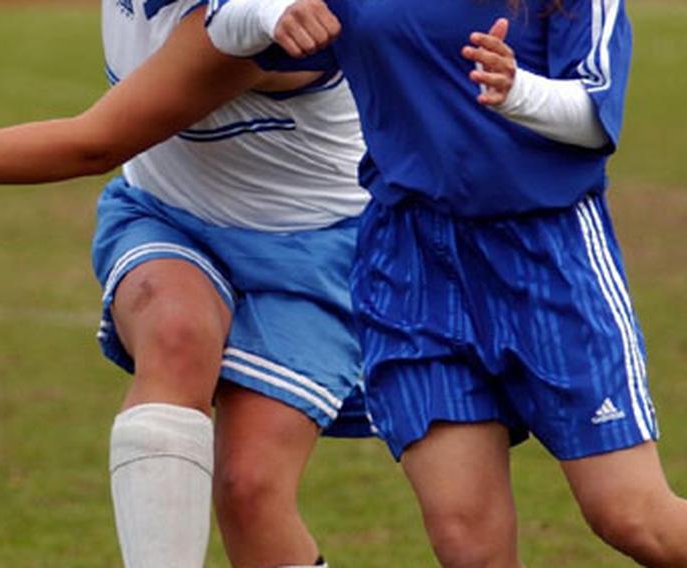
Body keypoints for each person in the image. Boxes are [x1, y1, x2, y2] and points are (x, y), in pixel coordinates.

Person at [0, 1, 372, 566]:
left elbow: (94, 143)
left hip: (312, 254)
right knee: (174, 332)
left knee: (251, 491)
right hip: (168, 215)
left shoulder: (247, 27)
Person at [207, 0, 687, 566]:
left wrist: (518, 91)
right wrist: (271, 14)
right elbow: (223, 22)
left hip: (547, 256)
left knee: (632, 517)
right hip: (410, 265)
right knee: (468, 547)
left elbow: (595, 113)